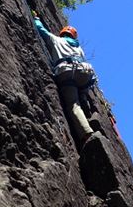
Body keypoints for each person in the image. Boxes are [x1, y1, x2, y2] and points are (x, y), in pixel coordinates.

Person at [33, 14, 97, 142]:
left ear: (62, 34)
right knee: (82, 88)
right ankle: (84, 97)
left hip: (66, 72)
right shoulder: (78, 48)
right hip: (84, 72)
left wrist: (37, 19)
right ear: (73, 36)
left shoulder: (56, 40)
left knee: (73, 104)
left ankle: (86, 132)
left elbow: (41, 30)